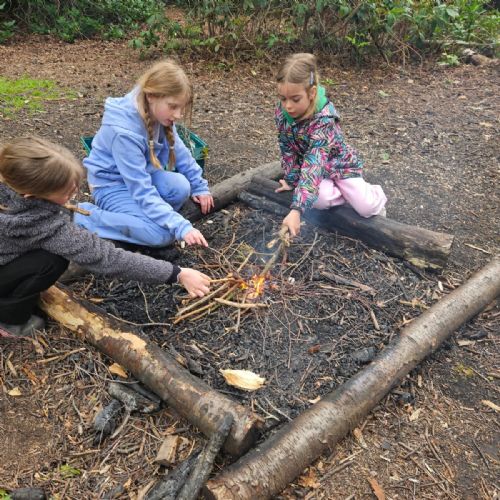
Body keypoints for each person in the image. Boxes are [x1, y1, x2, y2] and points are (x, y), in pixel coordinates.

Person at [0, 137, 211, 338]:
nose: (73, 195)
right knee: (51, 261)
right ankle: (10, 320)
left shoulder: (11, 182)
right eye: (66, 193)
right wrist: (176, 274)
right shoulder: (43, 226)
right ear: (31, 196)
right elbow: (108, 258)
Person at [75, 59, 214, 248]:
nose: (178, 114)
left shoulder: (158, 113)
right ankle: (84, 215)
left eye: (181, 108)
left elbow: (180, 152)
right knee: (162, 236)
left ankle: (141, 219)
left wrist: (199, 186)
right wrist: (179, 225)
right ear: (151, 96)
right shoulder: (124, 132)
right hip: (111, 186)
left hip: (141, 177)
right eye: (173, 106)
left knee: (180, 187)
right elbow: (141, 189)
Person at [274, 53, 387, 236]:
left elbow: (314, 162)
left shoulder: (324, 120)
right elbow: (288, 149)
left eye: (295, 99)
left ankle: (372, 195)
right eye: (283, 98)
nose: (288, 106)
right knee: (320, 200)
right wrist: (292, 179)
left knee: (366, 207)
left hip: (340, 166)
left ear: (311, 93)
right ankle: (346, 196)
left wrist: (297, 209)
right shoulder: (283, 114)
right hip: (315, 171)